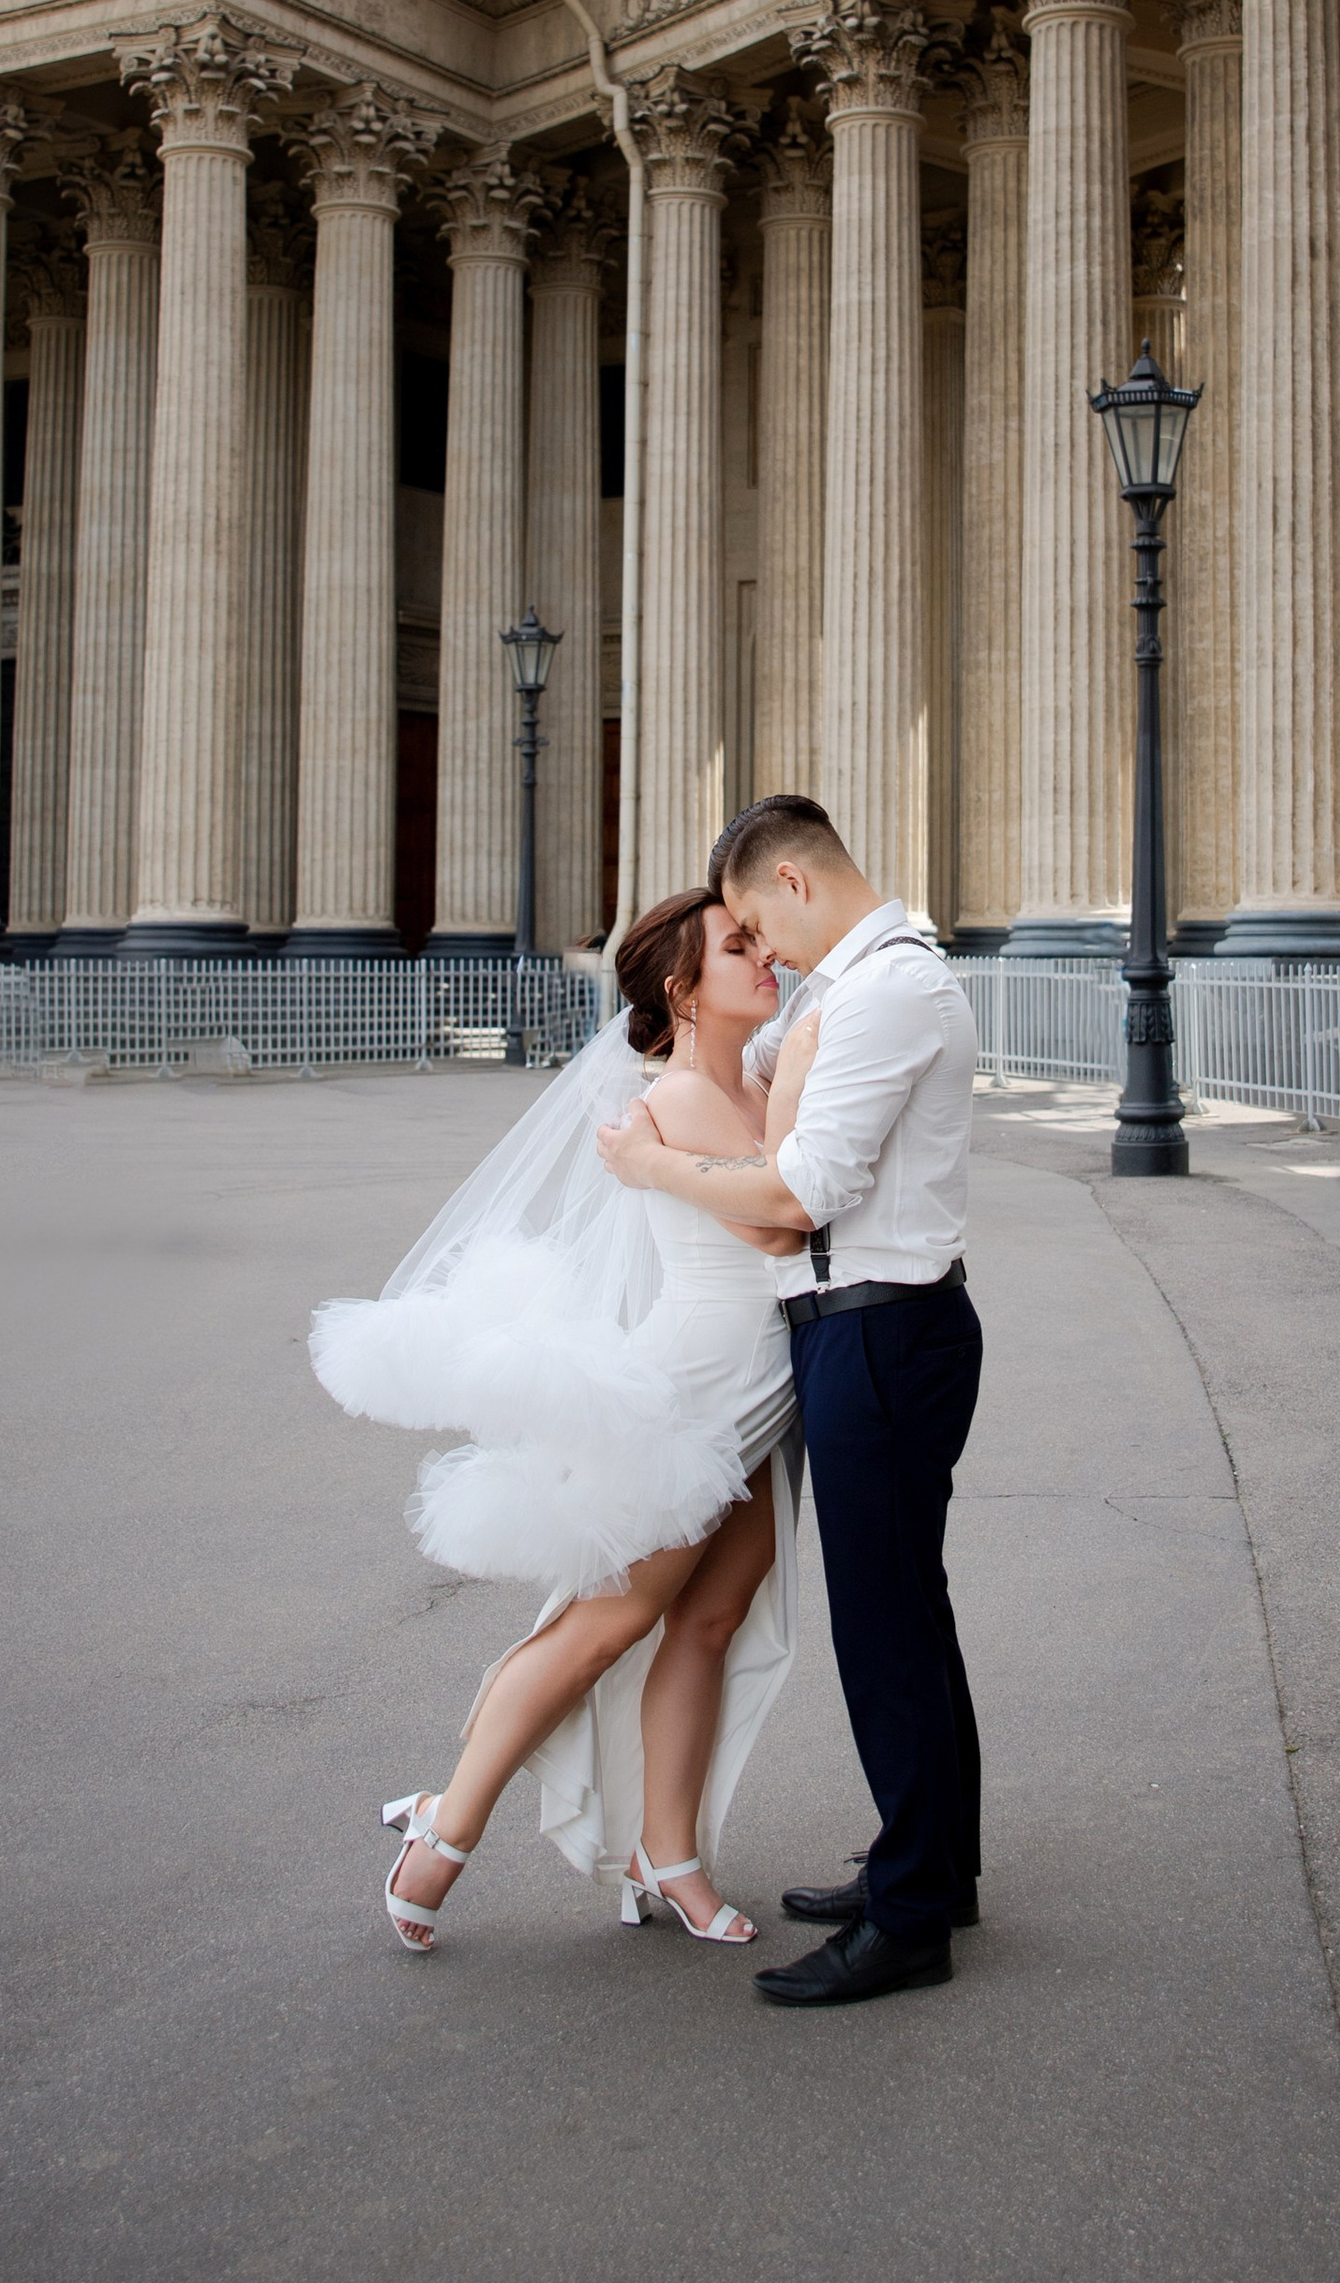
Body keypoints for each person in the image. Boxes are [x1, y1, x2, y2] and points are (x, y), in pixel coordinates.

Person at [310, 892, 807, 1955]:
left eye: (760, 943)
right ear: (680, 990)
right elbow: (778, 1228)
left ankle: (666, 1856)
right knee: (603, 1624)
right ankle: (446, 1826)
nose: (763, 959)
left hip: (763, 1390)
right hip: (697, 1391)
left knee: (711, 1623)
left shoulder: (756, 1077)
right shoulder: (677, 1095)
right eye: (737, 948)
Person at [598, 794, 981, 2010]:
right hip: (865, 1332)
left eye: (761, 924)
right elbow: (755, 1072)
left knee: (883, 1634)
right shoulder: (853, 989)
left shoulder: (884, 991)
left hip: (879, 1332)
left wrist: (655, 1164)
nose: (766, 952)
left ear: (795, 884)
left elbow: (805, 1187)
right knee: (906, 1618)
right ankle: (926, 1868)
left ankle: (913, 1916)